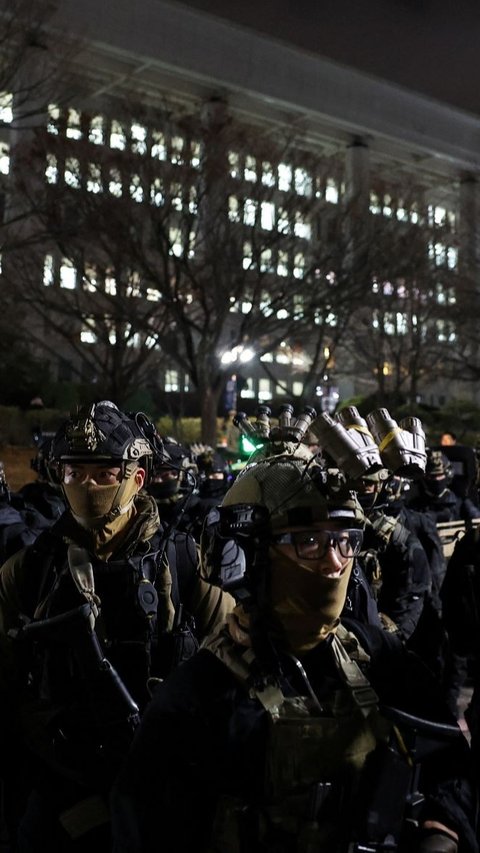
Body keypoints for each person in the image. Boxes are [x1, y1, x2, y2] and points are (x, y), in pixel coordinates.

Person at [111, 431, 478, 853]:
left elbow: (451, 759)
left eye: (344, 540)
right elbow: (142, 823)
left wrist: (442, 827)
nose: (335, 561)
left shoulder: (378, 657)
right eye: (309, 542)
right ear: (252, 555)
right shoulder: (203, 690)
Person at [0, 400, 235, 852]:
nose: (87, 484)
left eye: (105, 473)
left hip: (166, 780)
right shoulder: (29, 571)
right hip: (64, 780)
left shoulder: (182, 561)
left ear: (136, 478)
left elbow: (232, 654)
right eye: (75, 472)